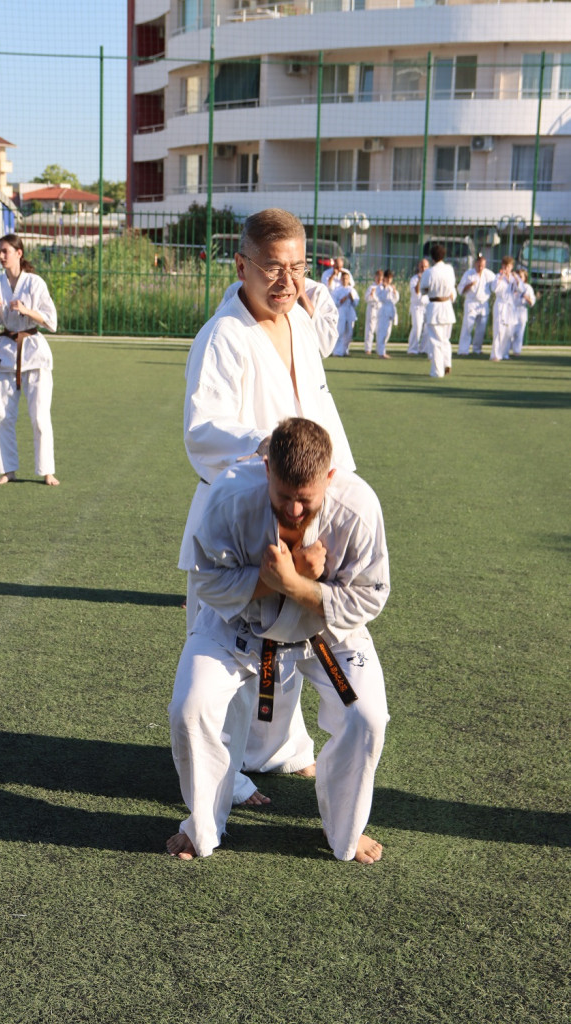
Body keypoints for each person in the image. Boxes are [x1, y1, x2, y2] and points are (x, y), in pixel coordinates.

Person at [181, 208, 356, 808]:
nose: (287, 281)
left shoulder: (300, 322)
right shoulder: (222, 336)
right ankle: (226, 773)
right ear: (242, 266)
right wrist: (266, 447)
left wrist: (339, 486)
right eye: (273, 268)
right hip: (241, 516)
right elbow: (202, 431)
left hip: (303, 511)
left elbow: (321, 411)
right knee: (228, 647)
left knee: (288, 640)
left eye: (298, 268)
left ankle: (278, 746)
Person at [168, 417, 389, 863]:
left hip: (324, 635)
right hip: (239, 627)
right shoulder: (231, 494)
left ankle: (345, 830)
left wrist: (298, 586)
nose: (294, 510)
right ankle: (202, 826)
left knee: (366, 717)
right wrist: (277, 579)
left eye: (306, 499)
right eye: (284, 496)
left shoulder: (358, 508)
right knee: (190, 708)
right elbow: (208, 582)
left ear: (330, 477)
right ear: (266, 469)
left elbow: (370, 597)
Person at [0, 233, 59, 485]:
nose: (1, 256)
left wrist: (26, 311)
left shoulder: (35, 283)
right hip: (6, 352)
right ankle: (7, 469)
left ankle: (47, 470)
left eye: (5, 251)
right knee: (1, 415)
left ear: (19, 253)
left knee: (39, 416)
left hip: (34, 352)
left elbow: (51, 321)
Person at [217, 274, 340, 360]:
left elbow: (325, 347)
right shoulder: (238, 291)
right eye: (273, 268)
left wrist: (302, 296)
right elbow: (219, 335)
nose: (286, 279)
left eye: (295, 267)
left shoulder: (317, 292)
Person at [420, 244, 456, 378]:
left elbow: (423, 290)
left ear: (432, 257)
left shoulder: (429, 272)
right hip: (447, 306)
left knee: (436, 341)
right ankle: (447, 362)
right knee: (445, 338)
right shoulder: (449, 269)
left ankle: (437, 371)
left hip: (434, 306)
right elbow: (452, 286)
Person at [456, 254, 495, 356]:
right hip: (471, 302)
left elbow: (495, 286)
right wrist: (469, 285)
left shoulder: (489, 274)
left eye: (482, 266)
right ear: (475, 264)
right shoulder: (469, 274)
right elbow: (460, 289)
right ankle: (463, 350)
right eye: (479, 265)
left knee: (481, 329)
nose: (480, 268)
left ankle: (477, 349)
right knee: (467, 326)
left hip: (483, 303)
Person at [490, 256, 517, 362]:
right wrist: (501, 277)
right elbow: (494, 289)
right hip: (500, 305)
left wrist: (515, 279)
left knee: (509, 331)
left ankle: (505, 353)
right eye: (505, 266)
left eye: (508, 266)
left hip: (510, 306)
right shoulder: (498, 276)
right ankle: (495, 355)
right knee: (499, 330)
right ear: (502, 266)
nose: (506, 268)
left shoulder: (514, 278)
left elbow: (520, 289)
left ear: (511, 267)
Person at [330, 269, 359, 356]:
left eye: (346, 278)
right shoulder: (337, 290)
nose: (345, 280)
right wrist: (342, 300)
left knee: (349, 333)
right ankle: (337, 351)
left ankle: (345, 350)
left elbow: (356, 303)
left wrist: (352, 298)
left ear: (349, 279)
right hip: (341, 311)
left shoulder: (352, 290)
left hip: (350, 312)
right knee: (340, 331)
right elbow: (334, 303)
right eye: (343, 278)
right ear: (341, 279)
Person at [508, 269, 536, 358]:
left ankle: (517, 351)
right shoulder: (511, 285)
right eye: (517, 276)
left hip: (521, 311)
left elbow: (532, 302)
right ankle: (506, 350)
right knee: (509, 332)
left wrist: (526, 297)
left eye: (521, 277)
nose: (519, 278)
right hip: (511, 310)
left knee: (519, 333)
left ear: (525, 278)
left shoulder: (527, 287)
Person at [374, 269, 399, 359]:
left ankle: (381, 349)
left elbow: (396, 299)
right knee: (382, 332)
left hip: (390, 310)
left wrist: (394, 292)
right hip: (383, 310)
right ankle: (381, 352)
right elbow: (381, 298)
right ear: (384, 278)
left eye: (390, 278)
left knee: (388, 332)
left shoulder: (391, 288)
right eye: (387, 278)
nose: (389, 280)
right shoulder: (380, 287)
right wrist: (385, 288)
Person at [407, 259, 429, 355]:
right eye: (421, 266)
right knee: (417, 327)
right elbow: (416, 292)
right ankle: (412, 349)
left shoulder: (430, 278)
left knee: (428, 328)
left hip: (427, 305)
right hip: (417, 306)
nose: (423, 269)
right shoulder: (414, 279)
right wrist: (420, 280)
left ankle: (424, 349)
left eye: (425, 266)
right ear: (418, 267)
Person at [363, 270, 383, 355]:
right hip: (372, 309)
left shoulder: (383, 287)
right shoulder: (371, 287)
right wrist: (371, 294)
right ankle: (368, 348)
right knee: (370, 329)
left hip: (380, 309)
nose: (379, 279)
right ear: (375, 277)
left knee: (380, 330)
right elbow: (366, 298)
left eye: (381, 277)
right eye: (378, 277)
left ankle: (379, 348)